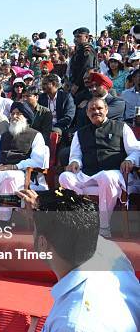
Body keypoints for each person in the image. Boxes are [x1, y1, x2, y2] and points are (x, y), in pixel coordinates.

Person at [16, 188, 139, 332]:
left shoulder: (73, 329)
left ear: (42, 243)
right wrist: (40, 214)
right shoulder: (112, 256)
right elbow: (82, 230)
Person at [58, 97, 139, 238]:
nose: (96, 111)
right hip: (88, 174)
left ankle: (104, 227)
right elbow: (75, 155)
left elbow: (136, 150)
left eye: (99, 108)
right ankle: (83, 217)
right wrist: (75, 163)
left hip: (115, 174)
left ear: (106, 110)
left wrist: (129, 160)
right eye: (92, 109)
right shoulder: (80, 133)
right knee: (64, 177)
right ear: (87, 113)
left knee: (105, 176)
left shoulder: (121, 127)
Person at [69, 27, 98, 96]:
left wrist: (77, 85)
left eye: (79, 36)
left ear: (86, 37)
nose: (75, 39)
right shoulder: (78, 50)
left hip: (84, 86)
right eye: (75, 37)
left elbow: (87, 68)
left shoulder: (87, 49)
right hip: (76, 84)